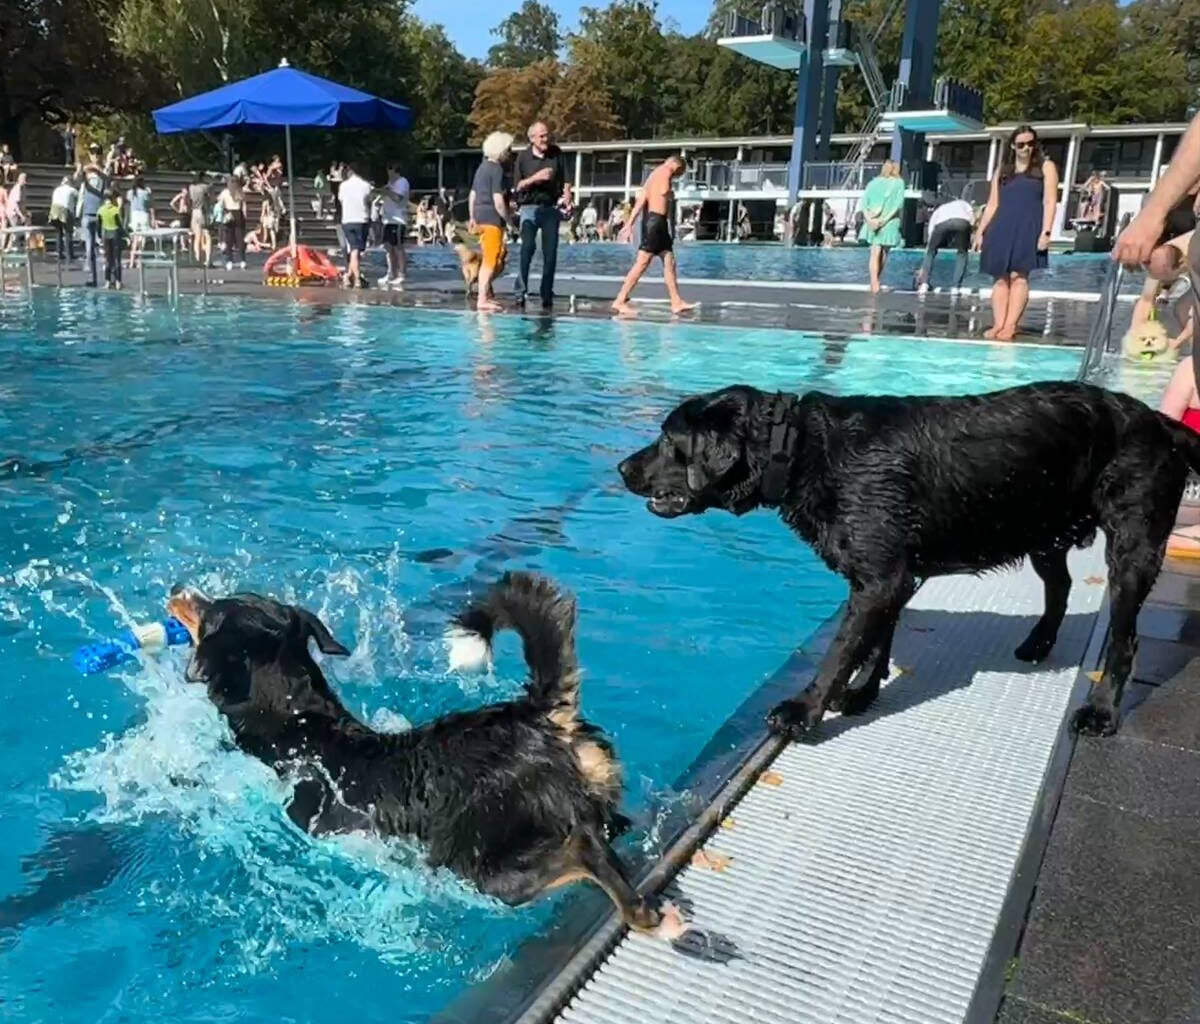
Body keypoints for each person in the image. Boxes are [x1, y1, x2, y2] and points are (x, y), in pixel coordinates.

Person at [975, 124, 1059, 340]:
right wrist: (980, 231)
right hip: (1001, 226)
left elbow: (1050, 201)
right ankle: (998, 324)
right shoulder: (1003, 171)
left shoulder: (1046, 167)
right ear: (1013, 146)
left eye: (1030, 144)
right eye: (1021, 144)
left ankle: (1011, 325)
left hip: (1028, 227)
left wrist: (1046, 232)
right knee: (1000, 278)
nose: (1026, 148)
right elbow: (992, 203)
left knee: (1019, 276)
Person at [611, 154, 696, 317]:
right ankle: (620, 300)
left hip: (656, 222)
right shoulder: (665, 171)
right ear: (677, 167)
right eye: (679, 174)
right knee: (642, 263)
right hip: (655, 222)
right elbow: (664, 191)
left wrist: (629, 224)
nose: (676, 176)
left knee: (669, 261)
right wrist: (670, 193)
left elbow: (641, 200)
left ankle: (676, 301)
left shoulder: (652, 175)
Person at [511, 121, 571, 310]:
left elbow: (567, 180)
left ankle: (546, 293)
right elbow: (517, 186)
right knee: (527, 249)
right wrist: (536, 178)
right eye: (542, 136)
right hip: (529, 207)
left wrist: (568, 197)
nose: (546, 139)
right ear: (532, 139)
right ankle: (520, 292)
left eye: (547, 135)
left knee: (550, 252)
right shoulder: (523, 158)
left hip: (551, 207)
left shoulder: (556, 153)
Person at [468, 131, 514, 313]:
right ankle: (482, 299)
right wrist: (508, 219)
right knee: (491, 259)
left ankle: (485, 294)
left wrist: (472, 217)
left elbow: (473, 195)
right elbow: (498, 200)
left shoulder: (481, 168)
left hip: (479, 216)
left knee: (495, 253)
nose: (509, 153)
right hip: (492, 218)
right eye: (508, 149)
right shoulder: (496, 169)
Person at [860, 160, 906, 293]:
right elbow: (898, 205)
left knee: (874, 252)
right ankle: (877, 281)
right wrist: (885, 220)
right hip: (889, 222)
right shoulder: (899, 183)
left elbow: (864, 203)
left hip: (872, 220)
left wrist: (869, 219)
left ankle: (874, 282)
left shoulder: (873, 183)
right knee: (884, 252)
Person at [915, 196, 975, 293]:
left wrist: (929, 250)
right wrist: (969, 236)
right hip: (962, 222)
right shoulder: (964, 203)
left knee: (931, 252)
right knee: (962, 253)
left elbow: (931, 232)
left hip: (942, 223)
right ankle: (956, 286)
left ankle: (924, 283)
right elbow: (972, 219)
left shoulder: (939, 210)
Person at [76, 145, 109, 287]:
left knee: (105, 246)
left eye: (97, 154)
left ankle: (109, 278)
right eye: (93, 154)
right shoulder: (86, 172)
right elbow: (78, 179)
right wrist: (80, 170)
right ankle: (92, 278)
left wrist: (96, 168)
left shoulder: (103, 170)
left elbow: (106, 178)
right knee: (89, 249)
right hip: (87, 213)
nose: (94, 156)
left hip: (100, 213)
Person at [337, 162, 372, 289]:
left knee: (353, 250)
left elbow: (341, 200)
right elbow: (369, 201)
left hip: (347, 219)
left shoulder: (343, 185)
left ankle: (348, 276)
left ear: (350, 171)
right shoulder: (366, 185)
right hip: (361, 219)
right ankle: (357, 278)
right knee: (356, 250)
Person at [379, 164, 410, 286]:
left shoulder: (402, 182)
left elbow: (397, 198)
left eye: (389, 170)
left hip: (398, 220)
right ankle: (391, 272)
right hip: (388, 220)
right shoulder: (390, 183)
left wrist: (387, 191)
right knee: (388, 248)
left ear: (394, 170)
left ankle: (401, 274)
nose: (387, 172)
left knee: (398, 247)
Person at [217, 175, 247, 271]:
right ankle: (243, 260)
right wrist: (245, 217)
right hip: (239, 214)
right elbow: (244, 206)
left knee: (228, 239)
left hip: (228, 213)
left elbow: (220, 204)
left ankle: (229, 261)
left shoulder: (225, 192)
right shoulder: (240, 192)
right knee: (240, 238)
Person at [97, 189, 124, 289]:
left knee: (108, 259)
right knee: (117, 259)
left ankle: (107, 282)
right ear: (113, 199)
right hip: (115, 234)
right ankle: (118, 282)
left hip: (105, 235)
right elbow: (119, 224)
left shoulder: (100, 210)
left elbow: (98, 225)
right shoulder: (115, 210)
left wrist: (99, 235)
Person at [125, 175, 153, 268]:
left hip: (134, 216)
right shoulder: (145, 192)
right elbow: (149, 203)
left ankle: (132, 261)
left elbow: (128, 201)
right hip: (143, 215)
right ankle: (139, 262)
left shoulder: (130, 192)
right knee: (142, 240)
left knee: (135, 239)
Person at [48, 175, 78, 262]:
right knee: (68, 233)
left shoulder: (57, 189)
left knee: (58, 233)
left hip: (54, 210)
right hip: (65, 210)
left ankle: (59, 253)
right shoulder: (72, 190)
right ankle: (69, 255)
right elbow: (79, 198)